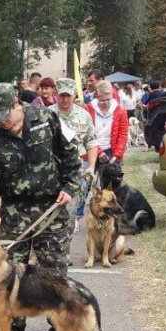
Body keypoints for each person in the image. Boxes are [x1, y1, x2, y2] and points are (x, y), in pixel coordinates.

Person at [0, 83, 80, 331]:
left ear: (17, 103)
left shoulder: (48, 119)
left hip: (52, 209)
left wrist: (69, 187)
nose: (2, 122)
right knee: (9, 273)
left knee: (54, 273)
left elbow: (71, 157)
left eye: (5, 115)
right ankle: (14, 328)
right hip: (15, 212)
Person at [53, 78, 98, 243]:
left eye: (68, 96)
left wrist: (92, 166)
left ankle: (64, 252)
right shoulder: (47, 115)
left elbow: (91, 142)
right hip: (51, 172)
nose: (65, 99)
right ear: (56, 95)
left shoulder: (84, 115)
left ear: (74, 96)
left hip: (74, 173)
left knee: (70, 215)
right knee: (49, 215)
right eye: (62, 95)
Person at [85, 81, 129, 165]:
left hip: (112, 151)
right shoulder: (88, 109)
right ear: (97, 97)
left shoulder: (121, 110)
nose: (106, 103)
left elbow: (122, 135)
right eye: (102, 100)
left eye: (108, 99)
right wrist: (99, 152)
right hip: (91, 150)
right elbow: (86, 134)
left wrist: (117, 155)